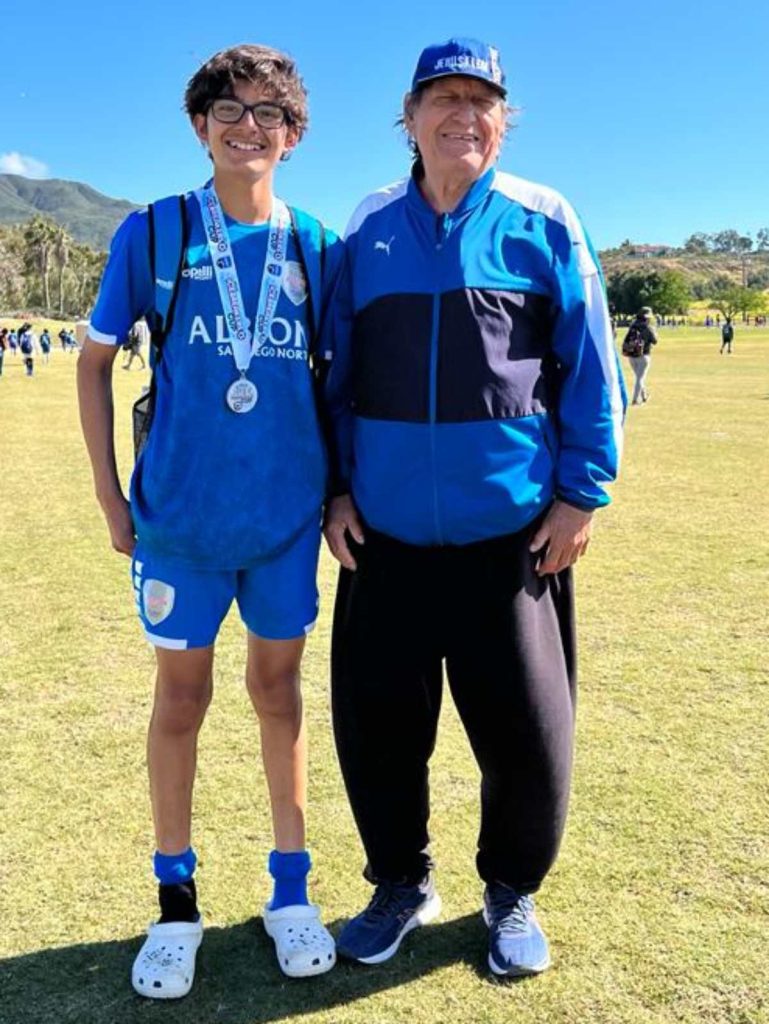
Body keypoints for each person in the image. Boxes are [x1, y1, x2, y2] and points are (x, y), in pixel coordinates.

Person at [322, 37, 626, 978]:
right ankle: (399, 885)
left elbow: (591, 368)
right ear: (407, 118)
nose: (463, 115)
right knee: (377, 735)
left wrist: (580, 495)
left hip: (513, 545)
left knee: (527, 737)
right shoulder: (367, 226)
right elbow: (332, 373)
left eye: (481, 100)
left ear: (505, 118)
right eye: (442, 98)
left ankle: (510, 892)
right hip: (386, 543)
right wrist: (335, 487)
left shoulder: (543, 218)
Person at [77, 43, 343, 998]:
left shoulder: (317, 247)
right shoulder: (151, 235)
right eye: (227, 110)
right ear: (200, 125)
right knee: (180, 705)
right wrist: (112, 497)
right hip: (180, 528)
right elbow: (94, 363)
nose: (247, 126)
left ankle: (290, 892)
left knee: (279, 696)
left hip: (281, 526)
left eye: (268, 113)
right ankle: (175, 903)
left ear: (294, 134)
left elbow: (339, 386)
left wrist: (339, 497)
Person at [621, 306, 658, 404]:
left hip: (632, 355)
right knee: (640, 378)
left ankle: (644, 396)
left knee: (639, 377)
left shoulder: (633, 325)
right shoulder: (648, 327)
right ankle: (635, 400)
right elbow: (655, 341)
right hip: (644, 355)